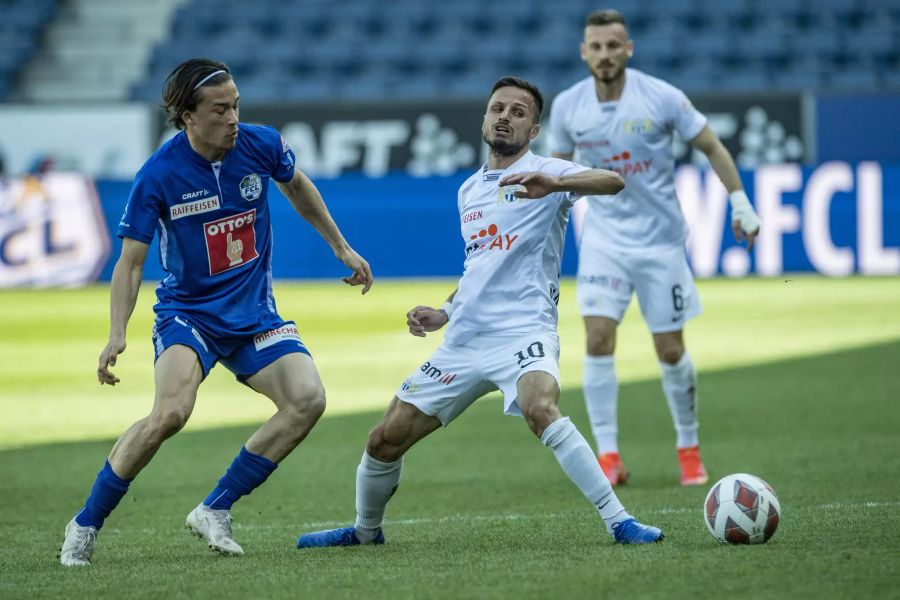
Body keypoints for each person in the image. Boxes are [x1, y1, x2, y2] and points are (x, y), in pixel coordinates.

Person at [296, 77, 664, 549]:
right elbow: (479, 264)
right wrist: (444, 311)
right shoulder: (469, 190)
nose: (505, 117)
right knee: (383, 439)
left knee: (540, 407)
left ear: (533, 129)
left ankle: (620, 522)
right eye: (498, 109)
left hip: (523, 331)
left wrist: (556, 181)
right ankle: (366, 532)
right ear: (485, 118)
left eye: (518, 112)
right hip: (465, 340)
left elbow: (613, 181)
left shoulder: (546, 171)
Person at [59, 59, 373, 566]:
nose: (233, 118)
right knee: (171, 414)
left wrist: (340, 247)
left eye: (236, 106)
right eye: (220, 109)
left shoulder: (261, 143)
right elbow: (131, 263)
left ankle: (215, 508)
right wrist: (117, 332)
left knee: (307, 399)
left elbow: (298, 186)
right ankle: (85, 524)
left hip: (254, 314)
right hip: (190, 315)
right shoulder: (158, 175)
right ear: (187, 116)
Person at [548, 10, 761, 486]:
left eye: (613, 46)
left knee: (669, 350)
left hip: (662, 244)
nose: (604, 54)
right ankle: (608, 457)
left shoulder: (661, 96)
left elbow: (711, 146)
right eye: (596, 47)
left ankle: (688, 446)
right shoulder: (568, 106)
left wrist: (740, 203)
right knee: (598, 340)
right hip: (603, 240)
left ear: (628, 49)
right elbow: (555, 171)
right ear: (584, 52)